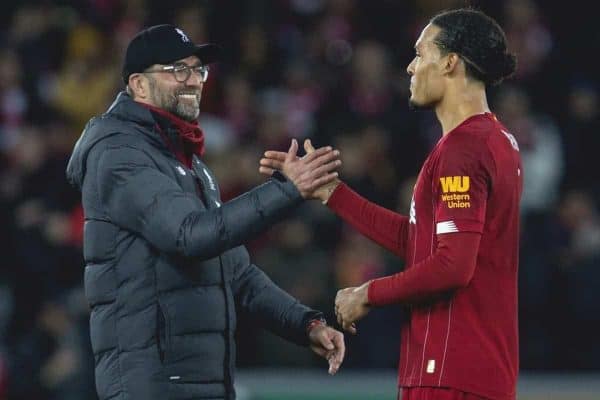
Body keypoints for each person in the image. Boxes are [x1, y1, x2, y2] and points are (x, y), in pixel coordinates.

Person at [65, 24, 345, 400]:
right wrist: (287, 189)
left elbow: (237, 272)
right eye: (178, 70)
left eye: (198, 71)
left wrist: (304, 324)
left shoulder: (186, 162)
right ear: (139, 85)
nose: (194, 81)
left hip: (200, 380)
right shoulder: (119, 153)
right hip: (151, 383)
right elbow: (189, 236)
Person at [261, 8, 521, 400]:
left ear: (450, 62)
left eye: (421, 54)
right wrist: (332, 193)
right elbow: (424, 244)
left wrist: (367, 293)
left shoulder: (464, 150)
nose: (410, 67)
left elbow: (453, 266)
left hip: (452, 369)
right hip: (470, 367)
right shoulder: (496, 140)